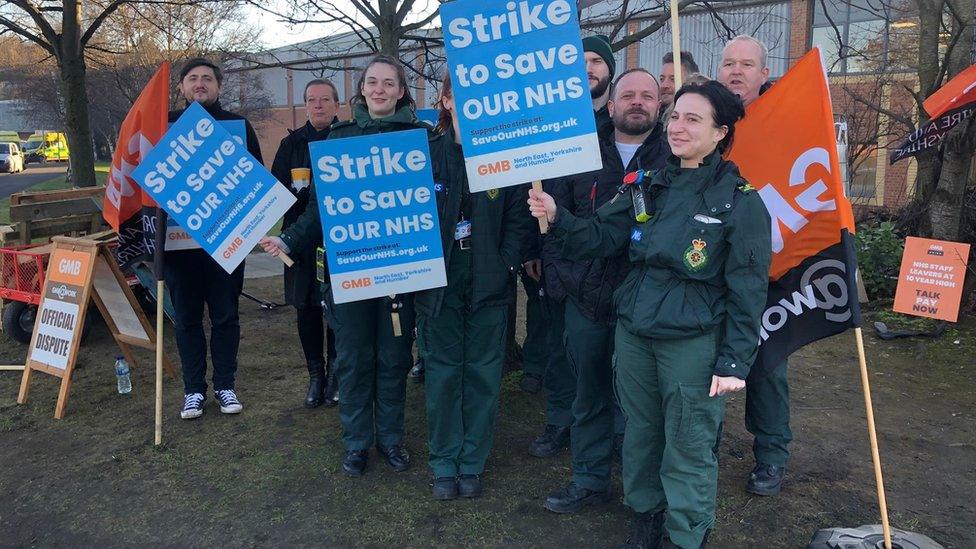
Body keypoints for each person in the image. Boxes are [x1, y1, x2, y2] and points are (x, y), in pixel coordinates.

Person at [528, 80, 772, 548]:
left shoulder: (740, 202)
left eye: (693, 119)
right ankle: (645, 521)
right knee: (640, 434)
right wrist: (557, 215)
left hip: (692, 342)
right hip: (635, 332)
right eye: (676, 116)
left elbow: (748, 289)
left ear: (721, 132)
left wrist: (734, 360)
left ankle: (685, 536)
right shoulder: (649, 187)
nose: (678, 127)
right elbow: (599, 236)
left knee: (688, 443)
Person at [260, 55, 426, 477]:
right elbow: (318, 210)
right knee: (351, 359)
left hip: (400, 273)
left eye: (389, 83)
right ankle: (356, 442)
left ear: (402, 90)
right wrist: (287, 238)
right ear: (362, 89)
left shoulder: (420, 137)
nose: (380, 89)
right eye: (373, 82)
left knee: (393, 358)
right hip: (349, 271)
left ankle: (390, 439)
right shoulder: (337, 140)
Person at [542, 68, 670, 515]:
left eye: (647, 96)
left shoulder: (674, 158)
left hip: (646, 301)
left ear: (660, 106)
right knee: (590, 393)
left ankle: (645, 494)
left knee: (642, 401)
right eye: (628, 95)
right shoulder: (578, 152)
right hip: (586, 298)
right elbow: (553, 217)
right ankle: (589, 478)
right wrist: (561, 277)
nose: (637, 102)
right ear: (610, 105)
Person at [417, 73, 534, 500]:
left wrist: (504, 263)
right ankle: (444, 459)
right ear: (446, 100)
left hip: (488, 286)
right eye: (460, 97)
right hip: (438, 288)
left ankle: (473, 460)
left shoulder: (505, 159)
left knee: (484, 376)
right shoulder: (425, 157)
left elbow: (521, 223)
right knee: (444, 375)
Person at [523, 32, 620, 458]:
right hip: (557, 256)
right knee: (560, 347)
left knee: (610, 353)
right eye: (581, 61)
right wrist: (534, 249)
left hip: (608, 259)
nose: (588, 68)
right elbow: (526, 187)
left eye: (597, 61)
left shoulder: (622, 126)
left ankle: (614, 429)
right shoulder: (549, 122)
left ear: (609, 73)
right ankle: (559, 421)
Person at [167, 57, 263, 420]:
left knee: (225, 318)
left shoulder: (237, 125)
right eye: (193, 78)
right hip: (179, 247)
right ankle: (193, 390)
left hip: (226, 245)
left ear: (218, 87)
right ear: (182, 87)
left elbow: (256, 179)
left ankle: (225, 385)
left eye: (207, 78)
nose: (200, 83)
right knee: (187, 320)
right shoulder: (165, 126)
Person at [717, 34, 790, 497]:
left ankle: (771, 454)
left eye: (747, 64)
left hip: (769, 269)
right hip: (708, 269)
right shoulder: (707, 116)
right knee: (705, 365)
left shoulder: (785, 123)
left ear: (764, 73)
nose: (736, 71)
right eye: (729, 63)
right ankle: (702, 448)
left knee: (766, 366)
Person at [269, 79, 341, 409]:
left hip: (339, 242)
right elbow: (274, 193)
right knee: (307, 308)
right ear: (305, 105)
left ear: (337, 105)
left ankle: (338, 375)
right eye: (312, 100)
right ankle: (316, 375)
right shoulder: (291, 144)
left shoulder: (348, 138)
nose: (319, 105)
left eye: (325, 99)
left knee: (338, 310)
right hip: (300, 242)